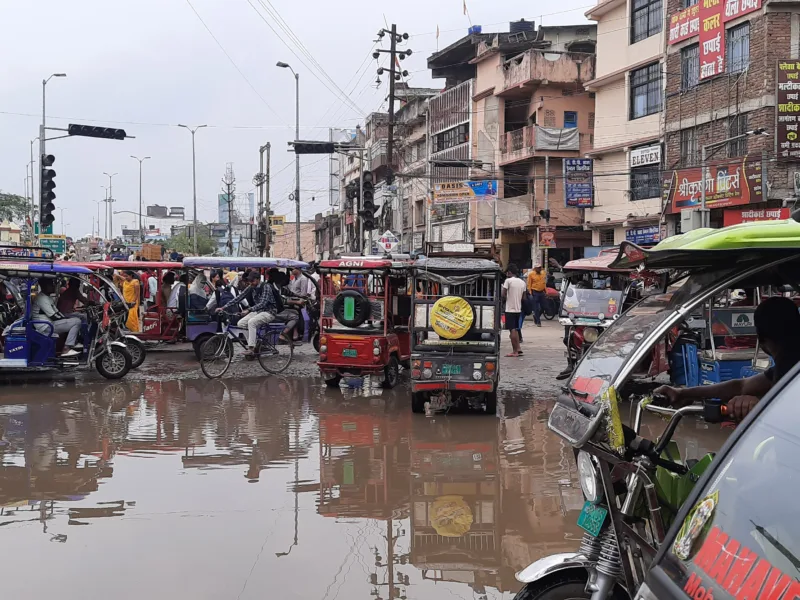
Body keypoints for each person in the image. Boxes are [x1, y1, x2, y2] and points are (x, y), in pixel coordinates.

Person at [655, 296, 800, 421]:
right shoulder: (785, 367)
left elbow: (791, 410)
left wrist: (761, 405)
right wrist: (682, 393)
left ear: (761, 340)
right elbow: (741, 386)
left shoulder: (790, 364)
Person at [217, 271, 278, 355]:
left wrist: (249, 310)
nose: (250, 283)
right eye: (250, 281)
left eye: (252, 281)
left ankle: (251, 348)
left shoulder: (266, 286)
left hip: (269, 312)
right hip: (258, 312)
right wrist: (224, 307)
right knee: (241, 323)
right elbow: (239, 297)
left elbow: (263, 303)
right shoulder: (251, 287)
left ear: (258, 280)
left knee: (251, 322)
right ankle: (254, 343)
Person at [33, 278, 83, 357]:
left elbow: (57, 312)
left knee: (75, 320)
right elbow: (53, 316)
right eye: (51, 285)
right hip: (45, 326)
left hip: (49, 323)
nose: (53, 286)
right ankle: (67, 348)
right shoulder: (41, 298)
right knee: (77, 321)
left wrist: (66, 320)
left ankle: (73, 343)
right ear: (45, 286)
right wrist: (66, 320)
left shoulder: (48, 297)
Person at [502, 263, 527, 358]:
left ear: (509, 272)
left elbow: (503, 294)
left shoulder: (508, 281)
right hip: (518, 309)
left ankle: (514, 351)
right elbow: (524, 298)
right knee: (516, 329)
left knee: (511, 330)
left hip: (510, 309)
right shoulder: (522, 282)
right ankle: (519, 348)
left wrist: (505, 299)